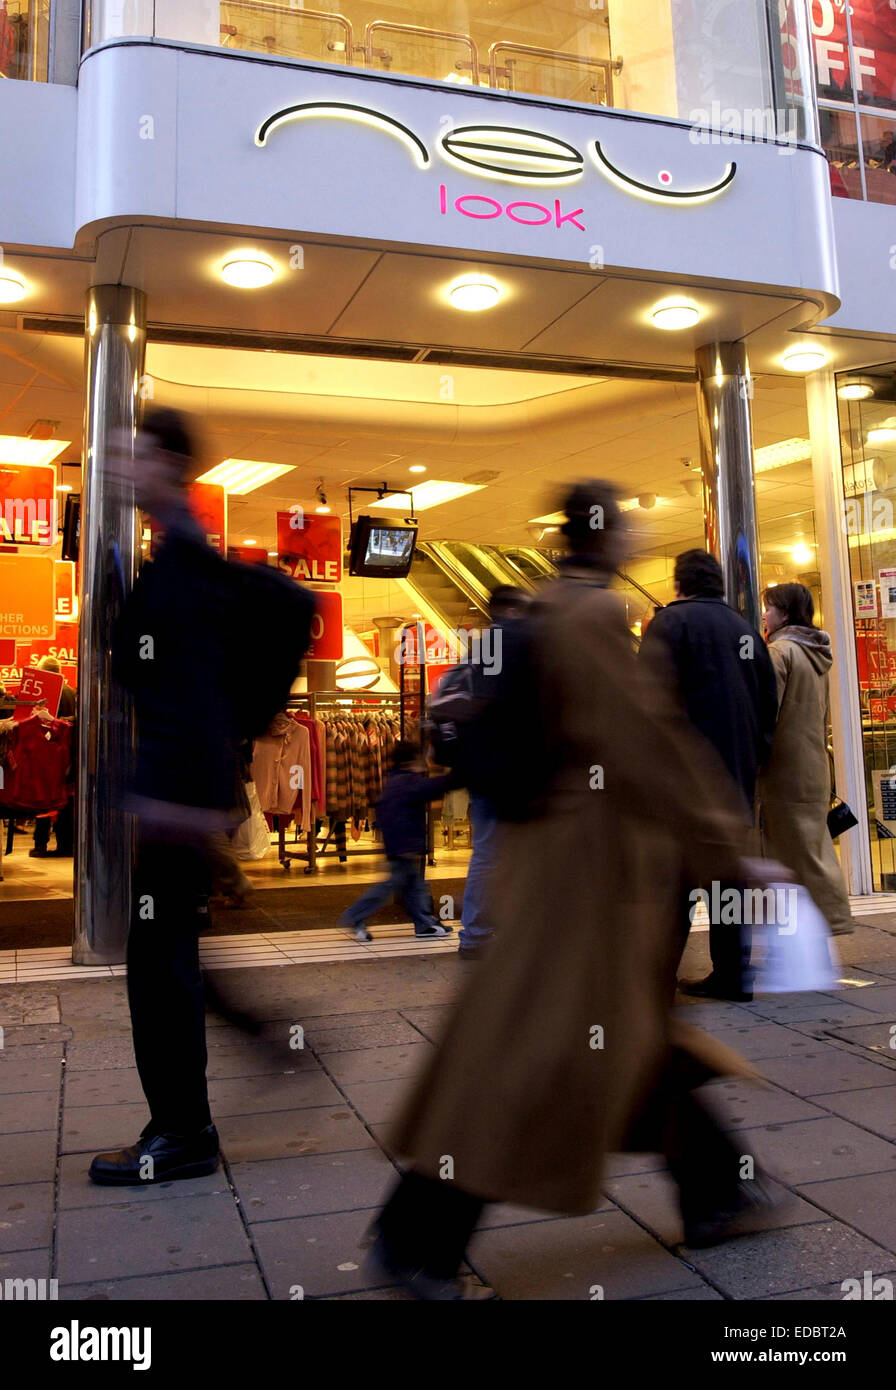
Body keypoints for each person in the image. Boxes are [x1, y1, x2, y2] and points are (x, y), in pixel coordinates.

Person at [367, 481, 784, 1299]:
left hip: (551, 869)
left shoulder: (550, 612)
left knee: (624, 1041)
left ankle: (717, 1191)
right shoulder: (593, 621)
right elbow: (645, 749)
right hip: (583, 884)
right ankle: (419, 1237)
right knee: (534, 1056)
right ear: (611, 535)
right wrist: (730, 849)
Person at [88, 408, 312, 1186]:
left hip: (176, 798)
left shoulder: (183, 559)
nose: (123, 466)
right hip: (179, 793)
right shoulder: (173, 554)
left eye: (136, 454)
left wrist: (231, 737)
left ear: (170, 464)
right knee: (169, 953)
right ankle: (248, 1046)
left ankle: (182, 1132)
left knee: (158, 965)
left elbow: (287, 611)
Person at [640, 549, 779, 1001]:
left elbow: (649, 704)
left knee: (673, 879)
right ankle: (733, 974)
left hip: (681, 774)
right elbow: (766, 704)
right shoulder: (745, 630)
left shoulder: (668, 624)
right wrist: (753, 757)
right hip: (734, 774)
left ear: (680, 584)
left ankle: (656, 977)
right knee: (726, 878)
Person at [757, 583, 854, 937]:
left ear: (784, 612)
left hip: (784, 770)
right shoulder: (817, 655)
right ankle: (819, 924)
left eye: (769, 608)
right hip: (813, 767)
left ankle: (821, 924)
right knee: (812, 849)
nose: (764, 614)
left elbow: (766, 715)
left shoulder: (779, 653)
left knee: (792, 854)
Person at [457, 584, 532, 960]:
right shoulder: (525, 641)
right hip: (520, 769)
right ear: (517, 608)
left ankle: (476, 935)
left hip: (483, 769)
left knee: (486, 853)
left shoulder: (481, 647)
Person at [340, 741, 455, 943]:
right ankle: (355, 915)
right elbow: (434, 787)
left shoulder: (397, 780)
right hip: (403, 845)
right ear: (412, 761)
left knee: (413, 885)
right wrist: (458, 775)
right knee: (392, 885)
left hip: (401, 844)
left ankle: (424, 924)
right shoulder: (406, 782)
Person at [29, 656, 77, 858]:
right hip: (67, 752)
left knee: (43, 797)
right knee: (64, 799)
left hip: (48, 752)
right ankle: (65, 843)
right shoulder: (71, 692)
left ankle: (41, 843)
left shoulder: (47, 691)